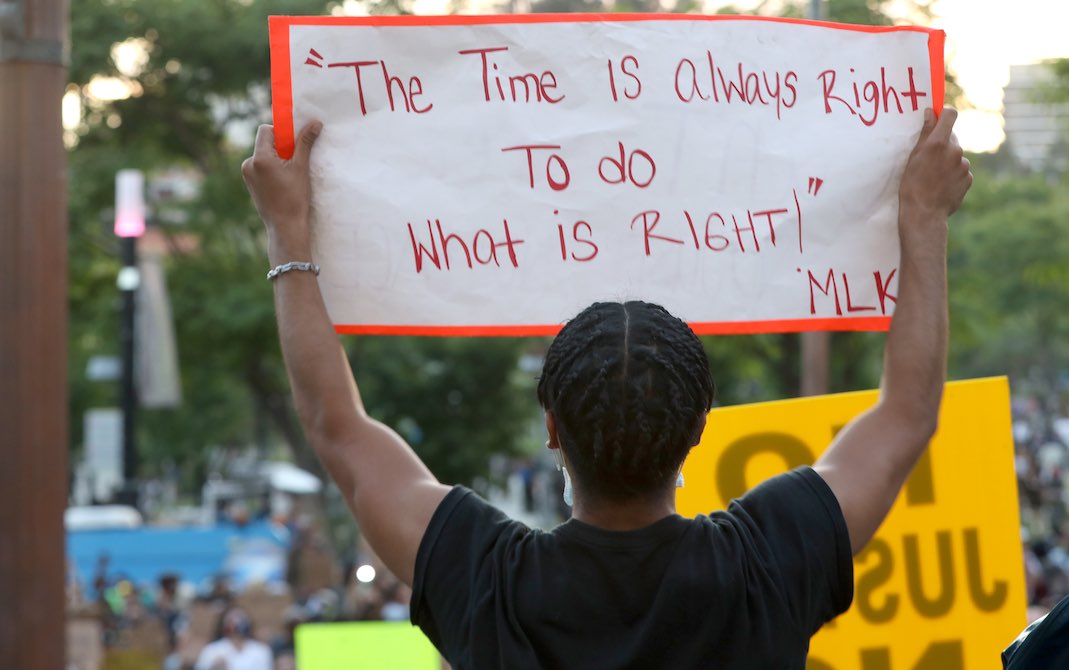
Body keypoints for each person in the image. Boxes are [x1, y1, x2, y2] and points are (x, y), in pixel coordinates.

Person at [242, 106, 971, 668]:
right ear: (698, 426)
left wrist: (289, 233)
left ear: (553, 428)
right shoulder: (766, 562)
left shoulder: (488, 579)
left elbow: (336, 425)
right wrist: (923, 219)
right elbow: (907, 412)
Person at [194, 606, 274, 670]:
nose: (237, 623)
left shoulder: (262, 651)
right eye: (231, 621)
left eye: (240, 619)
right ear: (224, 625)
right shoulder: (211, 650)